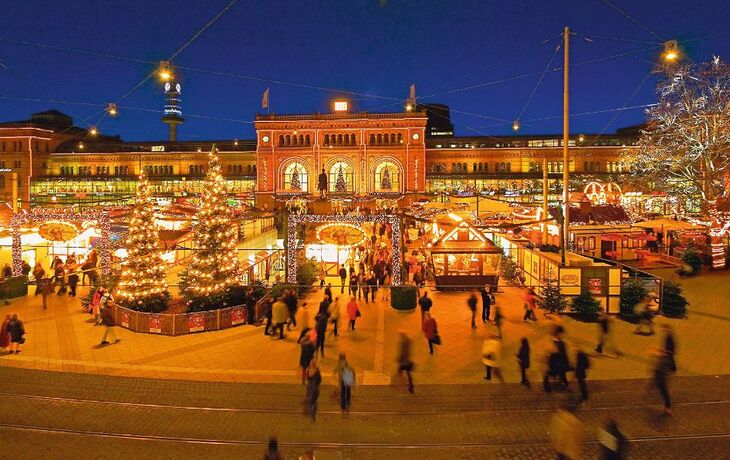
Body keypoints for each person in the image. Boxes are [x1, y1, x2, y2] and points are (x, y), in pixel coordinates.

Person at [653, 347, 674, 415]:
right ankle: (667, 407)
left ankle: (668, 407)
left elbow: (666, 370)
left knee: (664, 392)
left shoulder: (667, 360)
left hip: (661, 377)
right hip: (659, 376)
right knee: (663, 391)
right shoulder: (664, 358)